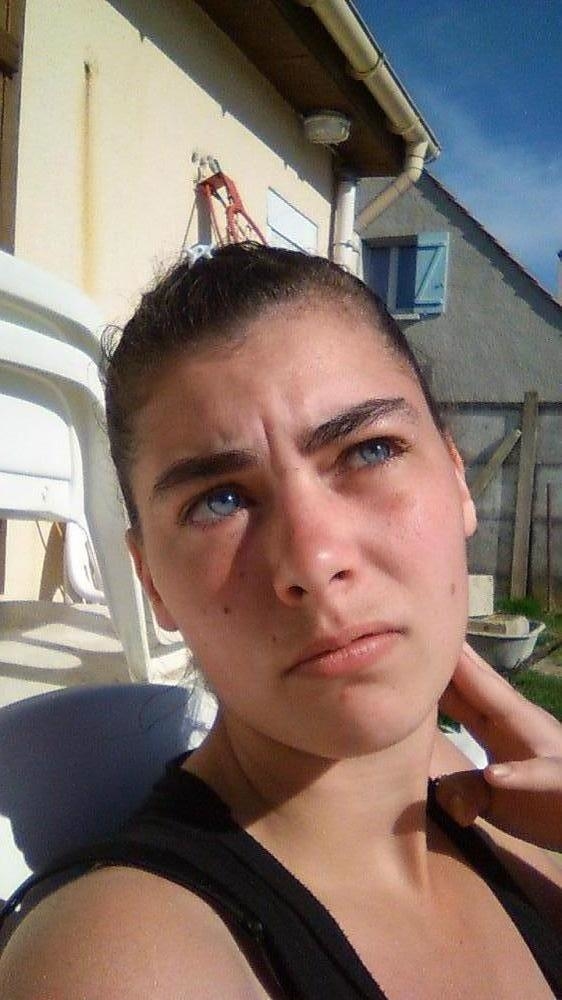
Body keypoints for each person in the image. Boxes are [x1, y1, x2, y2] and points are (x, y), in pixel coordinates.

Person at [0, 243, 561, 999]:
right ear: (152, 582)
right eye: (219, 501)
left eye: (369, 450)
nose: (314, 558)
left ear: (458, 481)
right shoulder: (129, 964)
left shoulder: (524, 813)